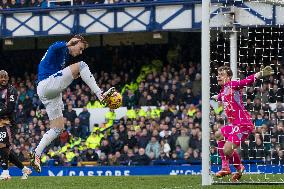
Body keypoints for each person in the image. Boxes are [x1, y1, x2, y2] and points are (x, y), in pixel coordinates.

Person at [30, 35, 115, 173]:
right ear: (74, 43)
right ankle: (101, 94)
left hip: (49, 91)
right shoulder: (60, 46)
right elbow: (53, 47)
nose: (80, 52)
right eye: (80, 48)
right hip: (47, 84)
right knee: (82, 65)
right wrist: (68, 43)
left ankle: (36, 154)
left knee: (57, 129)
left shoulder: (64, 55)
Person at [213, 65, 274, 181]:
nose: (218, 76)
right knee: (218, 135)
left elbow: (246, 81)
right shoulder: (224, 90)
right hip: (235, 125)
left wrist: (259, 74)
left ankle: (236, 167)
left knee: (227, 149)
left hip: (243, 125)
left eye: (222, 74)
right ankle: (230, 167)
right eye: (218, 74)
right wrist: (214, 99)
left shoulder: (233, 85)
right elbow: (219, 99)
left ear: (229, 77)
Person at [0, 70, 32, 180]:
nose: (3, 79)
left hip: (8, 122)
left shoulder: (11, 90)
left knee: (2, 145)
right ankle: (24, 169)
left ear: (8, 78)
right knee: (5, 151)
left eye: (5, 77)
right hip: (0, 122)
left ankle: (5, 172)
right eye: (1, 77)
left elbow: (9, 109)